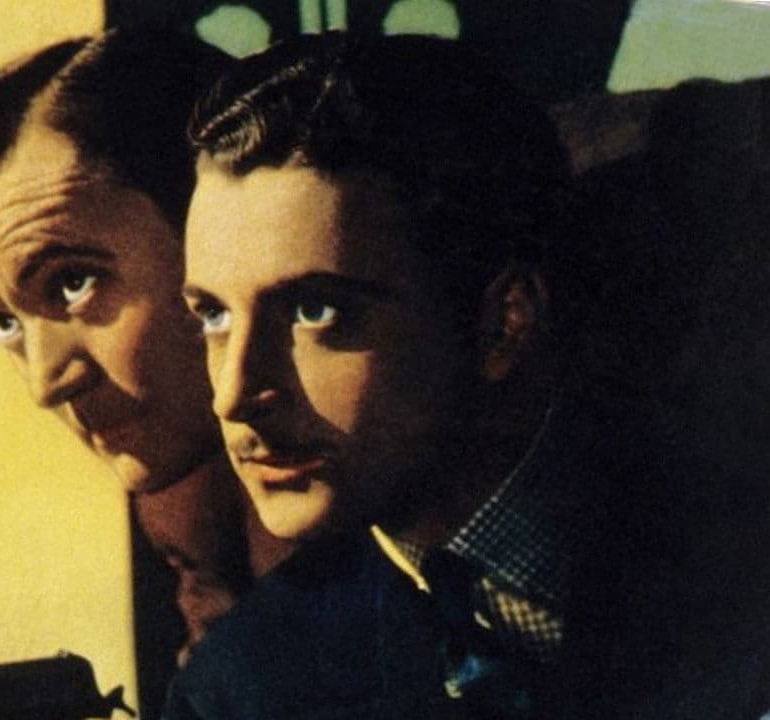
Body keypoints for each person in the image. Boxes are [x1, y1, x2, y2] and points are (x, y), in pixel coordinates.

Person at [172, 31, 770, 719]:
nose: (234, 393)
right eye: (214, 316)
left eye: (315, 311)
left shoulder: (736, 561)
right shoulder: (242, 690)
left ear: (503, 324)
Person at [0, 26, 294, 711]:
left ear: (218, 232)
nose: (46, 381)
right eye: (5, 322)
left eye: (73, 283)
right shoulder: (184, 504)